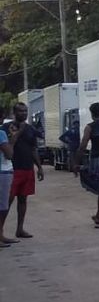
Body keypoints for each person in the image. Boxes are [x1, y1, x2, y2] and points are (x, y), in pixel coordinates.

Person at [3, 102, 45, 239]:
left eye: (25, 111)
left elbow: (33, 149)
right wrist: (17, 133)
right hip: (12, 169)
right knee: (6, 202)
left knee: (23, 199)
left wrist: (39, 167)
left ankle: (20, 229)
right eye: (21, 111)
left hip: (27, 168)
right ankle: (1, 232)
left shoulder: (30, 129)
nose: (24, 114)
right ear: (14, 113)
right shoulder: (5, 128)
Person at [0, 104, 16, 247]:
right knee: (3, 206)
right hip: (2, 171)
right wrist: (13, 137)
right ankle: (0, 235)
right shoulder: (1, 134)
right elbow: (9, 154)